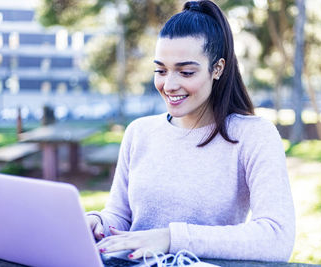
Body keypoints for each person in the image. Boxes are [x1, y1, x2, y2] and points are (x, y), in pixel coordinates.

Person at [87, 0, 295, 262]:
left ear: (217, 68)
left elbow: (277, 238)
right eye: (160, 70)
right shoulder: (139, 132)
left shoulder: (253, 136)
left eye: (185, 72)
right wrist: (97, 222)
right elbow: (120, 218)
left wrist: (172, 239)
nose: (169, 84)